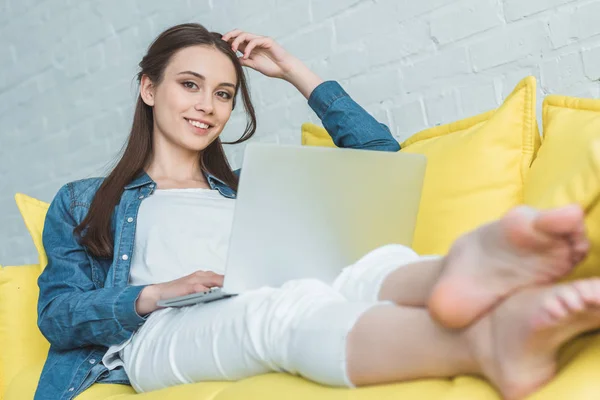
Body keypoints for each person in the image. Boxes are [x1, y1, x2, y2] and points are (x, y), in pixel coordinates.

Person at [35, 23, 599, 400]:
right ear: (149, 88)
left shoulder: (249, 190)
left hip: (261, 286)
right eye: (190, 85)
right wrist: (154, 294)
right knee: (278, 312)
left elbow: (382, 163)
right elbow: (57, 314)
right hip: (156, 334)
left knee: (366, 267)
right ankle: (484, 341)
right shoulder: (85, 200)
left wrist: (295, 72)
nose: (207, 106)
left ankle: (456, 270)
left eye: (225, 94)